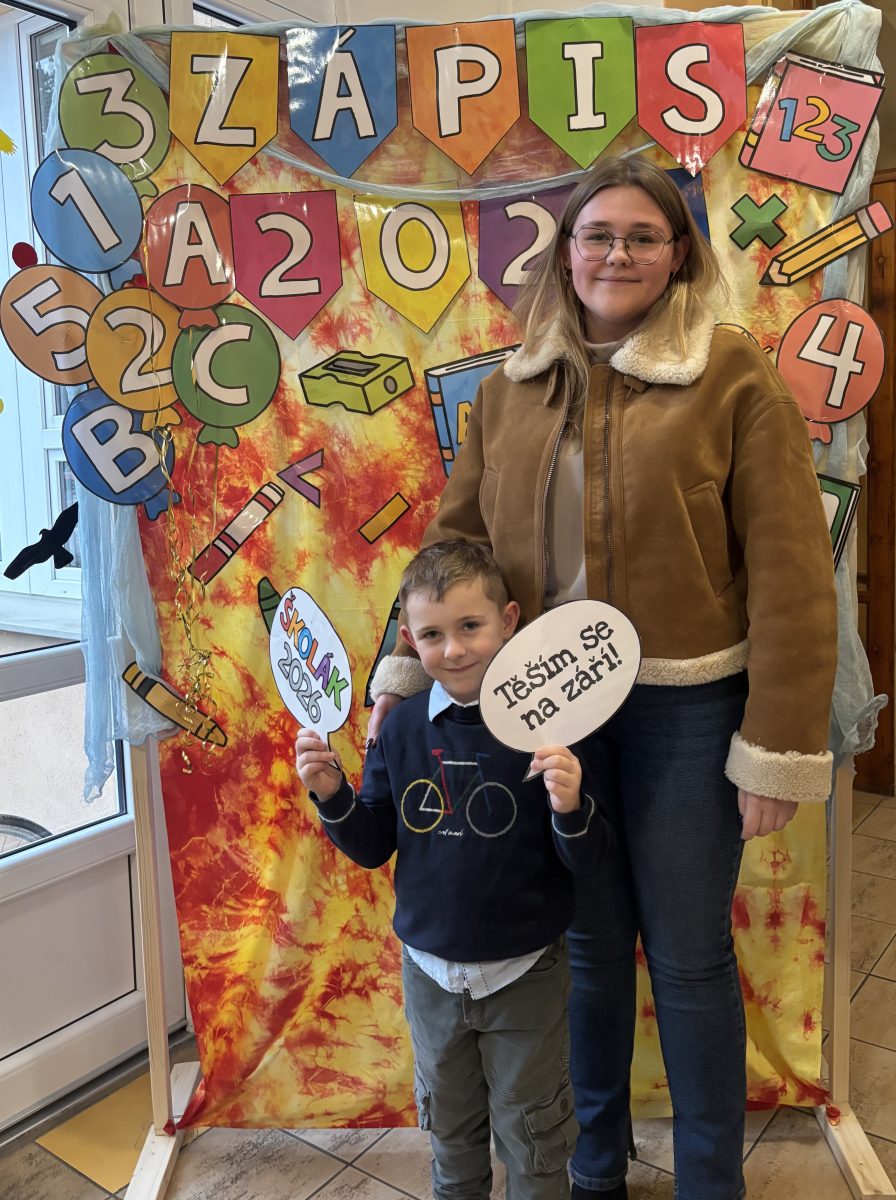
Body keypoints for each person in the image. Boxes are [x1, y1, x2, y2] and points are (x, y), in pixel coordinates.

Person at [367, 155, 838, 1200]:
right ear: (566, 251)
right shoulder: (509, 389)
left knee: (687, 956)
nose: (615, 254)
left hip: (687, 709)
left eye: (641, 236)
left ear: (677, 255)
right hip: (541, 710)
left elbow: (791, 567)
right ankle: (591, 1170)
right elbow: (451, 539)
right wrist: (403, 671)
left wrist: (777, 742)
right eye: (597, 235)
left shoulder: (732, 376)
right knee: (582, 952)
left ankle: (708, 1181)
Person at [296, 539, 611, 1200]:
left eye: (471, 626)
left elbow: (588, 859)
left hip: (525, 973)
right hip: (430, 976)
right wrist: (332, 794)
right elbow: (372, 843)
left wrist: (571, 806)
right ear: (410, 640)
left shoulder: (551, 729)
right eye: (434, 634)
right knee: (450, 1132)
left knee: (534, 1138)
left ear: (508, 620)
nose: (455, 649)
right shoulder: (401, 728)